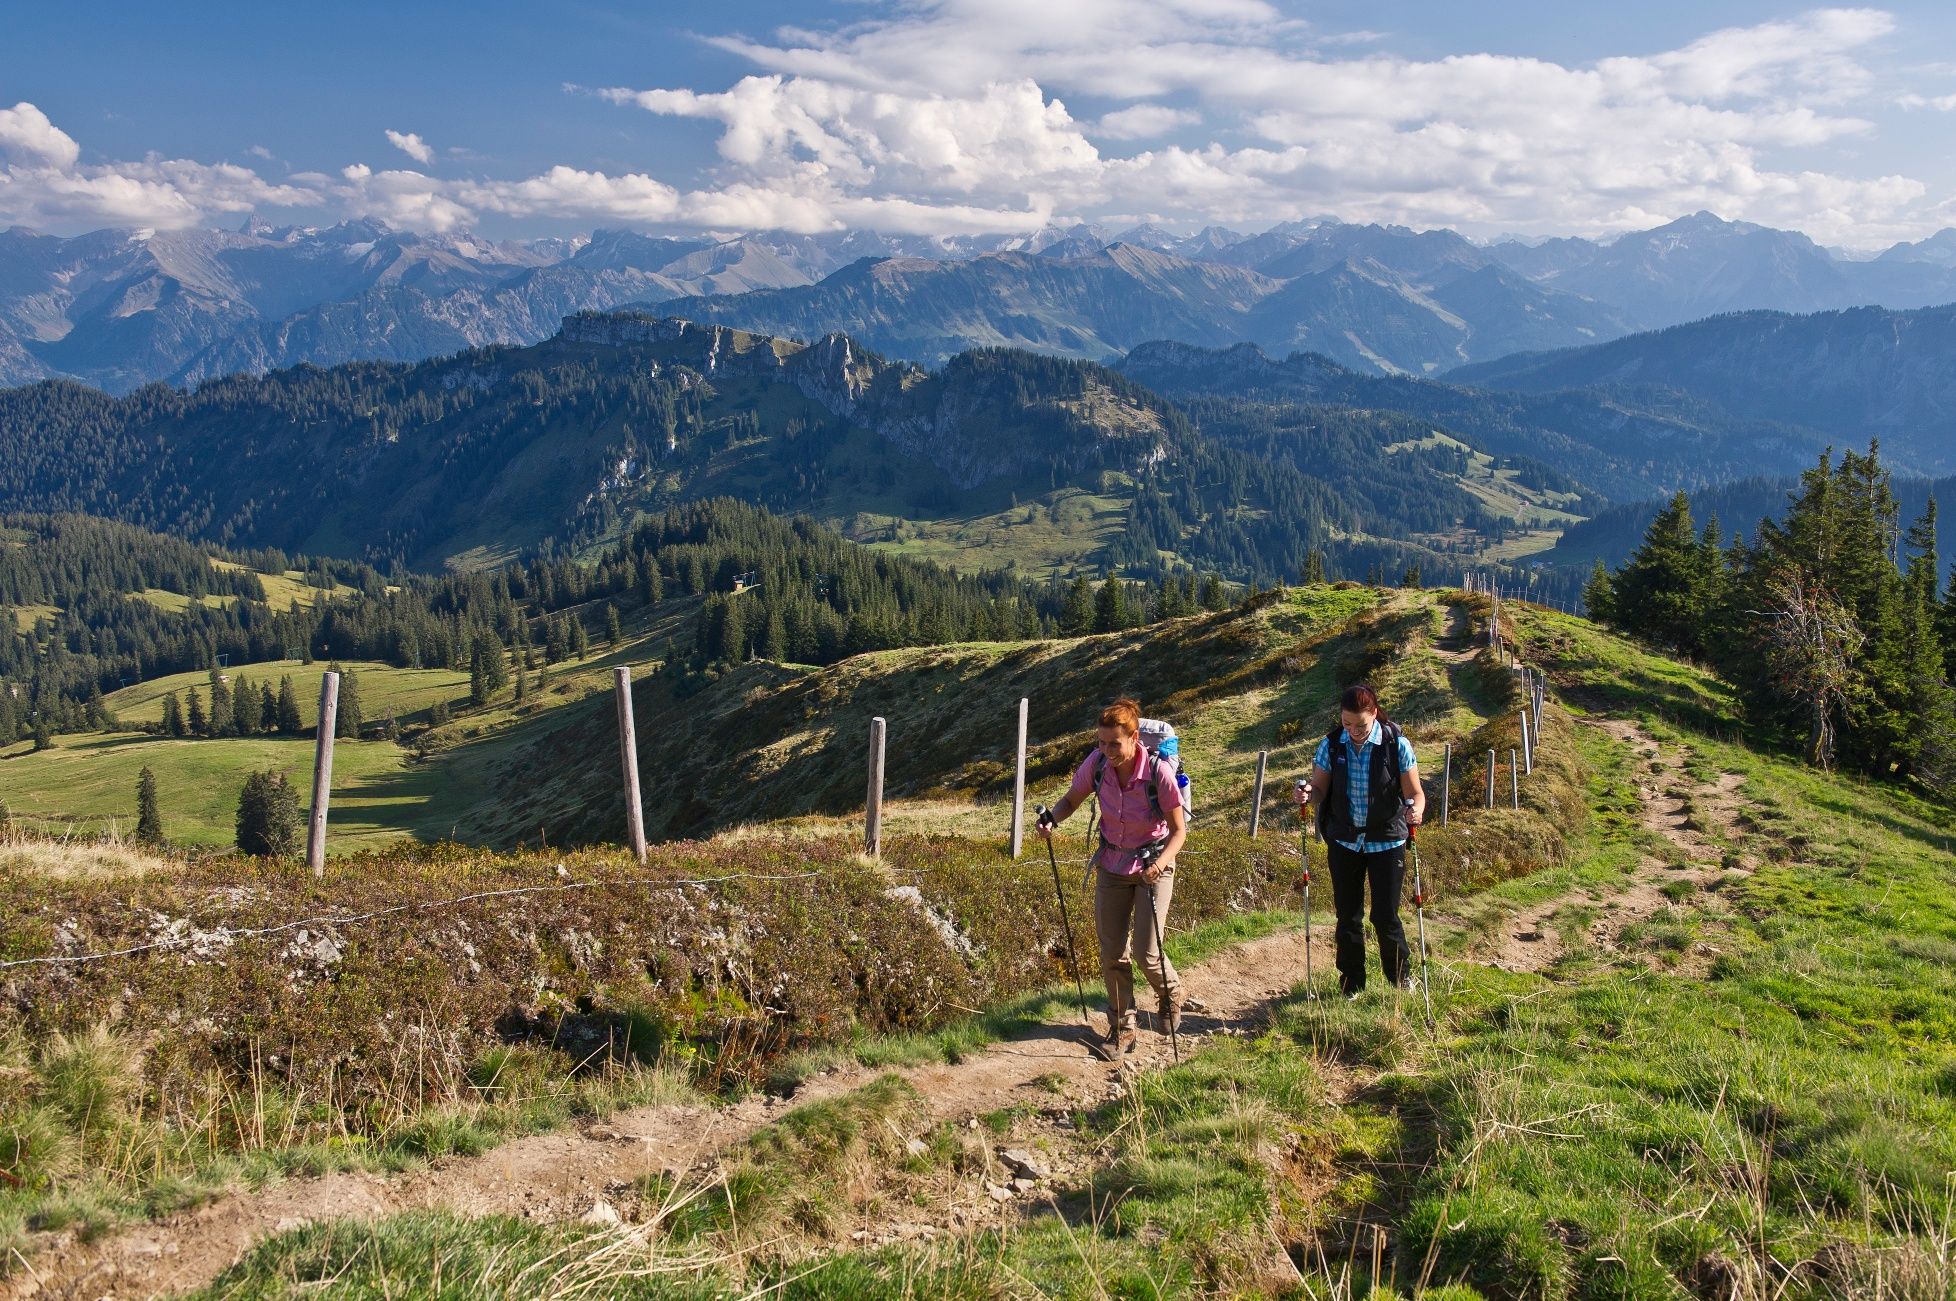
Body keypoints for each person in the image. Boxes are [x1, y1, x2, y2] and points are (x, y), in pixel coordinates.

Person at [1037, 697, 1187, 1060]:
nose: (1106, 751)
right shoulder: (1098, 763)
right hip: (1112, 865)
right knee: (1112, 952)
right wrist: (1052, 819)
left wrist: (1159, 864)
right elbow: (1071, 800)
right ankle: (1123, 1027)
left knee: (1147, 953)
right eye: (1101, 743)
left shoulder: (1158, 773)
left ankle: (1171, 993)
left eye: (1114, 744)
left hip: (1154, 865)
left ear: (1134, 738)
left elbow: (1179, 831)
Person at [1295, 683, 1425, 998]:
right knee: (1348, 915)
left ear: (1375, 714)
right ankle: (1351, 984)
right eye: (1347, 723)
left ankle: (1400, 979)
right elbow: (1320, 791)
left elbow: (1415, 793)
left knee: (1385, 916)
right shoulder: (1331, 745)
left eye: (1361, 725)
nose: (1354, 731)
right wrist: (1307, 794)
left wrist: (1417, 811)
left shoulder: (1396, 745)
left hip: (1387, 841)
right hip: (1344, 841)